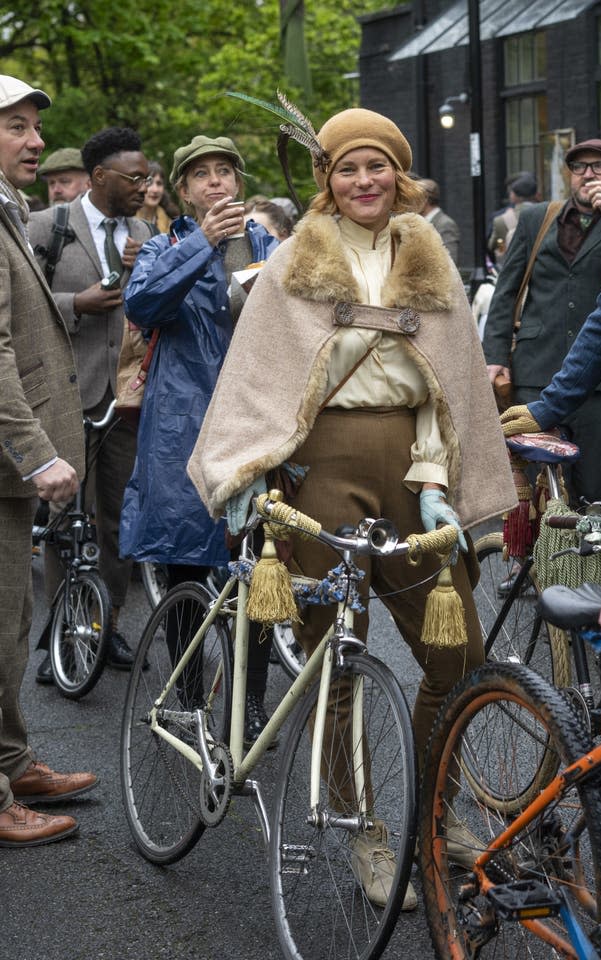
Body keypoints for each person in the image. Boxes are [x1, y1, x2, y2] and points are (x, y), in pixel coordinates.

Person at [187, 107, 516, 900]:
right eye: (346, 169)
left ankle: (438, 812)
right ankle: (362, 827)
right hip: (321, 469)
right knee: (338, 658)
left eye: (377, 168)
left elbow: (449, 387)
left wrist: (437, 479)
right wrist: (254, 472)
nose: (363, 182)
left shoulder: (427, 253)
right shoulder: (297, 257)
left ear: (398, 175)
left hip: (414, 471)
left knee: (458, 652)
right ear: (326, 181)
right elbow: (260, 375)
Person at [120, 135, 280, 745]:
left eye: (225, 173)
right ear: (183, 191)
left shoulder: (264, 242)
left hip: (253, 423)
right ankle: (187, 700)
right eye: (201, 175)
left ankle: (250, 703)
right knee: (188, 565)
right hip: (182, 426)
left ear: (238, 183)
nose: (215, 183)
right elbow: (144, 304)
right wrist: (203, 243)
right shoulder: (165, 245)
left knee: (261, 566)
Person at [0, 73, 97, 846]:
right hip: (8, 459)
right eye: (16, 127)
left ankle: (13, 761)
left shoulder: (11, 210)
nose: (35, 141)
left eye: (34, 126)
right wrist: (36, 455)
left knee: (13, 617)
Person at [28, 127, 156, 680]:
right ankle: (60, 633)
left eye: (147, 177)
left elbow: (155, 308)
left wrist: (144, 265)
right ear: (100, 177)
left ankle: (107, 625)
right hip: (64, 394)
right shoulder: (46, 227)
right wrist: (74, 302)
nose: (144, 186)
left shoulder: (146, 230)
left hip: (125, 400)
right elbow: (21, 307)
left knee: (119, 523)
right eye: (135, 177)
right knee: (64, 520)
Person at [483, 139, 601, 509]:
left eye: (599, 167)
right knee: (534, 492)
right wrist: (495, 355)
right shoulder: (536, 218)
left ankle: (595, 567)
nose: (588, 174)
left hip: (600, 381)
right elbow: (506, 290)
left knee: (597, 489)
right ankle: (533, 567)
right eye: (580, 167)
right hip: (536, 371)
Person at [488, 172, 537, 268]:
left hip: (514, 270)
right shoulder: (548, 213)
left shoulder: (500, 220)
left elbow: (492, 245)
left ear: (514, 195)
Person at [417, 177, 460, 264]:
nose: (409, 202)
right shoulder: (418, 223)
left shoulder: (445, 224)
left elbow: (449, 263)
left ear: (424, 199)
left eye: (414, 197)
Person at [135, 159, 176, 233]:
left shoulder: (173, 226)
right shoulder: (126, 220)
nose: (155, 190)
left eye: (159, 183)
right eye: (149, 183)